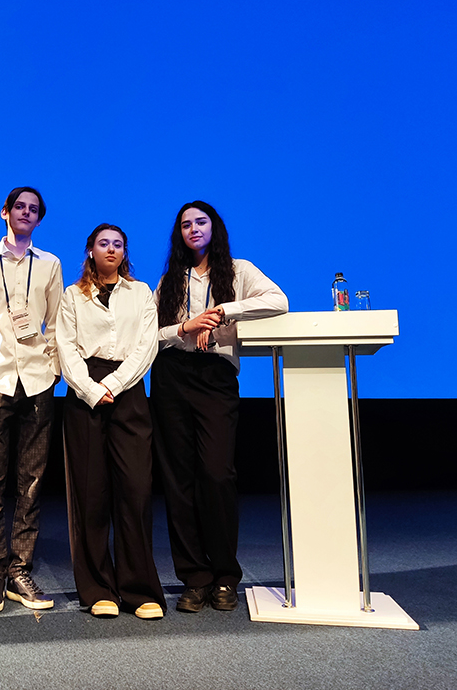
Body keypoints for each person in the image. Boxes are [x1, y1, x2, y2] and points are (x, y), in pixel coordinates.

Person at [151, 201, 287, 613]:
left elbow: (279, 301)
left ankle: (225, 575)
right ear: (179, 234)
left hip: (215, 376)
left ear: (214, 227)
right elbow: (149, 333)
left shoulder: (238, 271)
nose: (193, 228)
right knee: (178, 479)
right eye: (186, 224)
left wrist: (225, 311)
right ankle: (195, 578)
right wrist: (185, 327)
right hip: (172, 375)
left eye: (201, 222)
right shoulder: (170, 279)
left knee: (216, 473)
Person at [57, 224, 165, 620]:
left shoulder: (140, 292)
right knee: (91, 493)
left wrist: (115, 384)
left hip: (128, 389)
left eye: (118, 244)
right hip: (85, 393)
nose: (111, 249)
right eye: (104, 243)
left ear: (125, 252)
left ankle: (139, 590)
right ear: (90, 250)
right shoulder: (73, 295)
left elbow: (147, 345)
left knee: (135, 491)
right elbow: (65, 347)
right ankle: (98, 588)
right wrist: (90, 389)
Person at [0, 187, 64, 613]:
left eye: (33, 209)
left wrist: (55, 368)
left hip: (38, 381)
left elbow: (58, 321)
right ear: (5, 212)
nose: (26, 213)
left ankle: (19, 570)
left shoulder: (49, 264)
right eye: (19, 207)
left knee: (32, 482)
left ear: (39, 219)